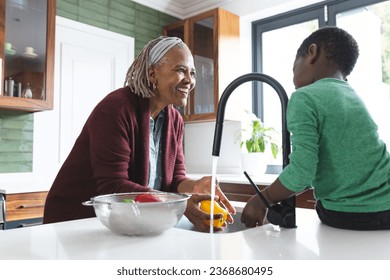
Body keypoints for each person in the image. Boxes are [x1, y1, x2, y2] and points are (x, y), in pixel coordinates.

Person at [43, 36, 235, 232]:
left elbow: (174, 181)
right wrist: (181, 205)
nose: (189, 80)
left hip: (123, 223)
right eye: (180, 70)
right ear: (153, 74)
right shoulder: (116, 108)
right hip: (74, 223)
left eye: (192, 73)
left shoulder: (174, 120)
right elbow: (113, 187)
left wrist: (195, 186)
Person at [241, 26, 390, 230]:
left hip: (348, 214)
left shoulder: (304, 97)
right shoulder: (353, 97)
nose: (293, 78)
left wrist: (262, 199)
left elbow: (302, 172)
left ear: (312, 52)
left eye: (294, 66)